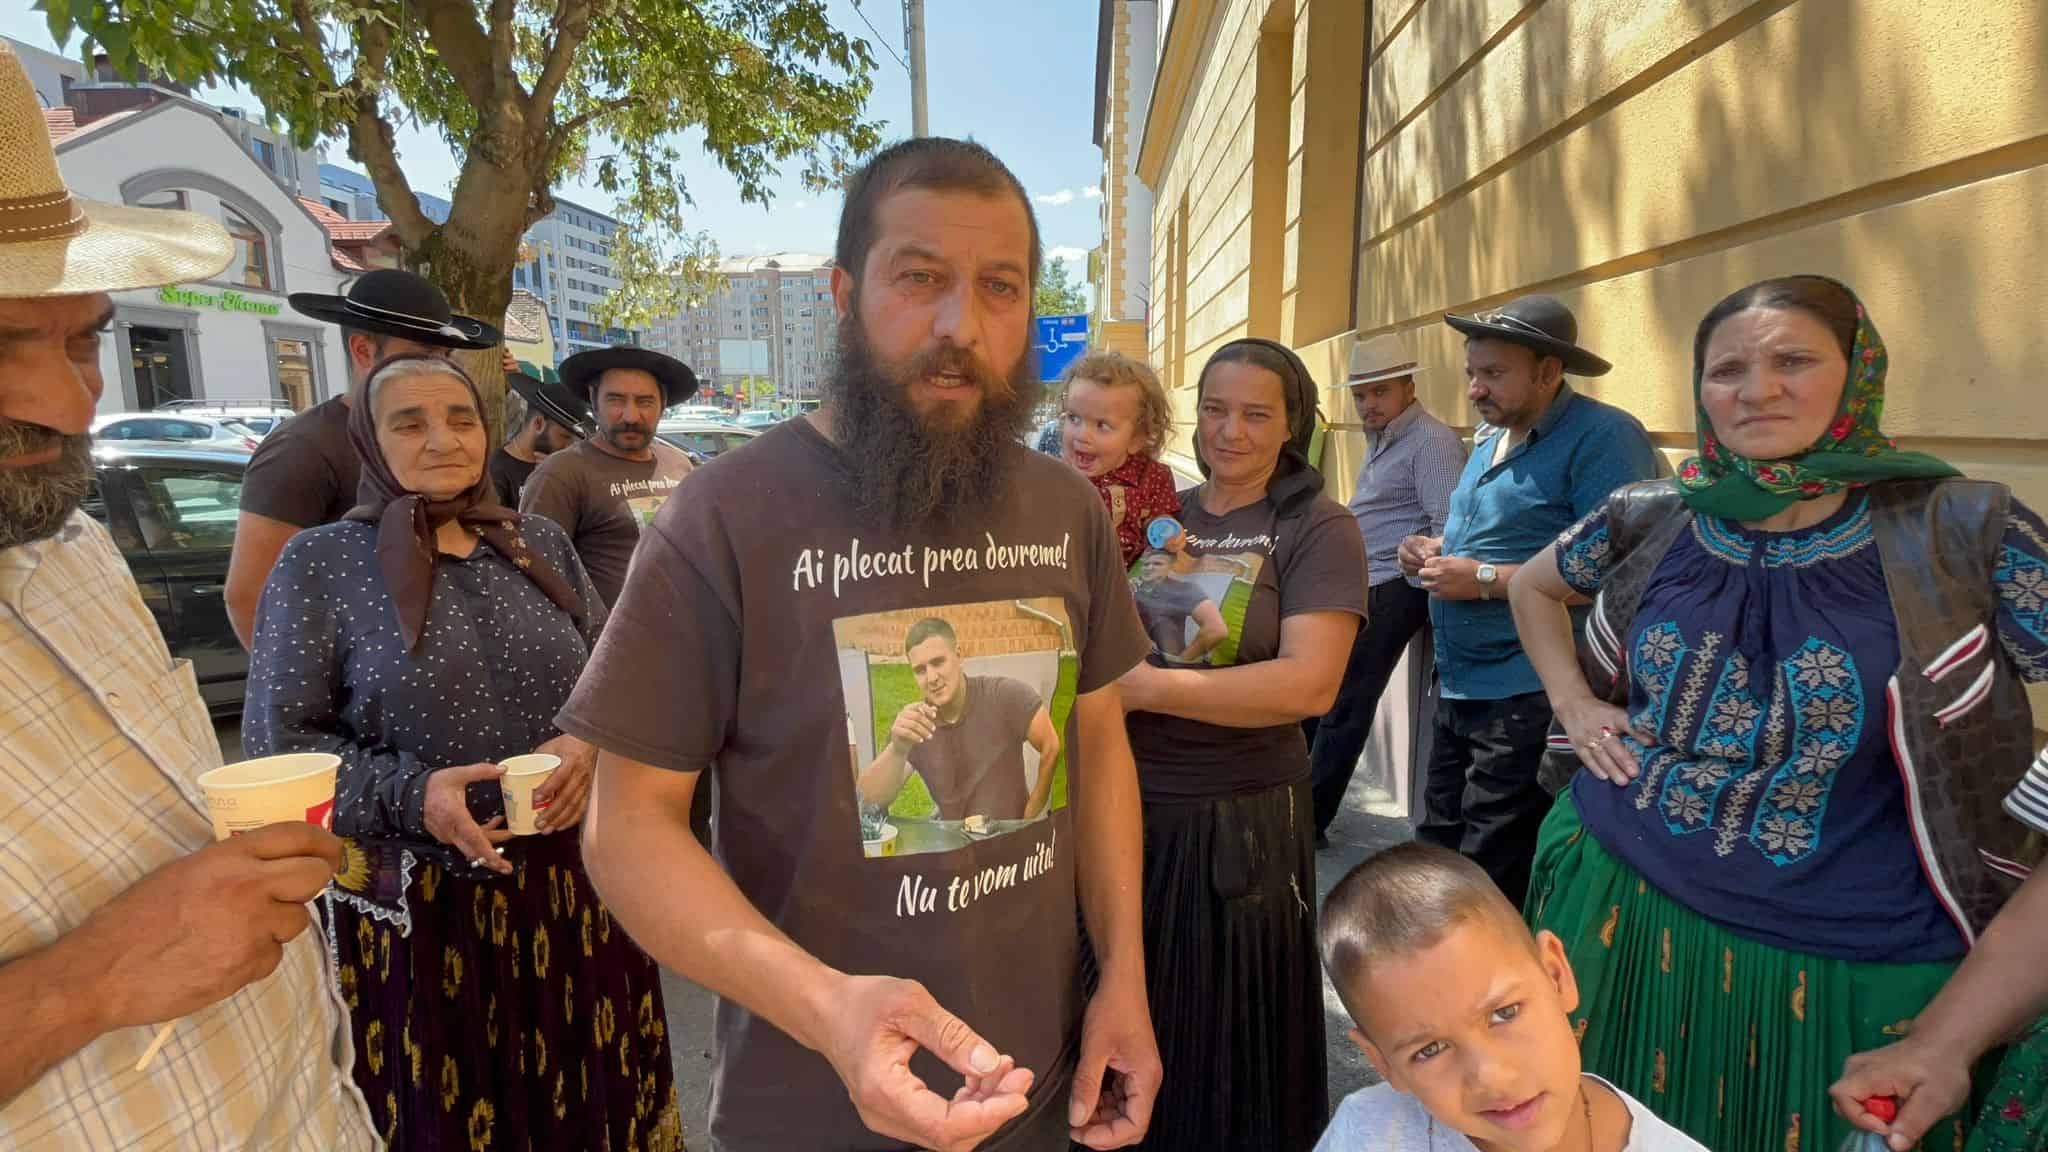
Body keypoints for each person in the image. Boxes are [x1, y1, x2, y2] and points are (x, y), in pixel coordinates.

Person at [558, 137, 1161, 1152]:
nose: (957, 325)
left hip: (1035, 1076)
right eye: (917, 277)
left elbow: (1097, 749)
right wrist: (827, 1009)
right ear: (844, 293)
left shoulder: (1067, 508)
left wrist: (1124, 988)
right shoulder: (724, 515)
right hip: (809, 1097)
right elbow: (626, 831)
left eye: (999, 287)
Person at [1507, 275, 2048, 1152]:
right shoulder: (1657, 514)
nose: (1757, 390)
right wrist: (1573, 701)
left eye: (1794, 360)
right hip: (1619, 905)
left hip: (1855, 961)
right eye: (1727, 371)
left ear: (1858, 374)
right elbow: (1535, 585)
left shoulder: (1960, 529)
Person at [0, 42, 374, 1148]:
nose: (68, 402)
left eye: (85, 339)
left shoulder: (65, 540)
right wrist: (82, 984)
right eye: (3, 343)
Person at [242, 355, 680, 1150]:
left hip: (574, 894)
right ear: (369, 441)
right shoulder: (322, 565)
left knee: (588, 1098)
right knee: (453, 1112)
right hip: (421, 915)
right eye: (410, 422)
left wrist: (587, 741)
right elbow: (281, 747)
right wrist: (417, 796)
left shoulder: (537, 542)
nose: (443, 439)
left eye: (463, 418)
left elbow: (610, 682)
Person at [1118, 338, 1368, 1151]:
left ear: (1293, 423)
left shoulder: (1317, 527)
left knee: (1225, 1044)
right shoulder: (1170, 517)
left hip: (1239, 825)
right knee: (1134, 1019)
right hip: (1133, 808)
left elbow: (1310, 687)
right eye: (1217, 410)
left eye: (1257, 413)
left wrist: (1151, 690)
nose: (1231, 431)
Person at [1401, 295, 1659, 905]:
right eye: (1472, 373)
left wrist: (1483, 578)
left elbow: (1626, 570)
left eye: (1493, 374)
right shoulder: (1493, 434)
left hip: (1529, 693)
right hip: (1459, 683)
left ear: (1549, 372)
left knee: (1492, 868)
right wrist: (1433, 547)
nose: (1474, 391)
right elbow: (1499, 534)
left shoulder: (1604, 438)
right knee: (1439, 844)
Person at [1314, 841, 1706, 1152]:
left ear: (1556, 975)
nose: (1492, 1078)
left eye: (1505, 1013)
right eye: (1430, 1049)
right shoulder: (1369, 1134)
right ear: (1383, 1063)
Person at [225, 268, 501, 647]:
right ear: (363, 351)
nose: (437, 369)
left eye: (444, 355)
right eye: (423, 355)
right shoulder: (300, 450)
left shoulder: (457, 443)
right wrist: (319, 689)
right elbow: (251, 597)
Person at [1308, 333, 1466, 842]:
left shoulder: (1432, 441)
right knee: (1321, 697)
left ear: (1408, 388)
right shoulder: (1384, 440)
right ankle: (1293, 809)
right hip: (1362, 581)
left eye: (1379, 392)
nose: (1368, 404)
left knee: (1346, 706)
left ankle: (1308, 823)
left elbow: (1449, 529)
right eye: (1360, 394)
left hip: (1397, 588)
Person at [520, 345, 696, 609]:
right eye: (615, 400)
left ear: (662, 404)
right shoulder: (561, 474)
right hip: (608, 645)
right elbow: (535, 576)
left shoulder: (679, 465)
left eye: (644, 402)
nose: (630, 416)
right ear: (593, 400)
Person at [859, 617, 1063, 821]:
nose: (931, 678)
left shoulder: (1003, 696)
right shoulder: (918, 724)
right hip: (954, 842)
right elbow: (868, 801)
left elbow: (1051, 745)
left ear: (958, 656)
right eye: (920, 670)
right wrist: (897, 749)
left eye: (938, 662)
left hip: (1006, 839)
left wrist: (1029, 815)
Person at [1053, 350, 1179, 567]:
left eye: (1102, 425)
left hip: (1130, 584)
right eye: (1074, 418)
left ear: (1137, 438)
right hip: (1071, 577)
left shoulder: (1153, 477)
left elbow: (1160, 518)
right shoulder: (1055, 476)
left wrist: (1166, 529)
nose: (1082, 435)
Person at [489, 358, 585, 508]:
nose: (569, 446)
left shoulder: (562, 468)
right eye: (565, 436)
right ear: (538, 424)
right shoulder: (497, 470)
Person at [1131, 548, 1228, 664]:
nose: (1149, 568)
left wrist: (1180, 662)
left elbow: (1216, 630)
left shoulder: (1183, 589)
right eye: (1146, 564)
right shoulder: (1135, 586)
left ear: (1170, 567)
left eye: (1158, 564)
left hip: (1165, 665)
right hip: (1132, 661)